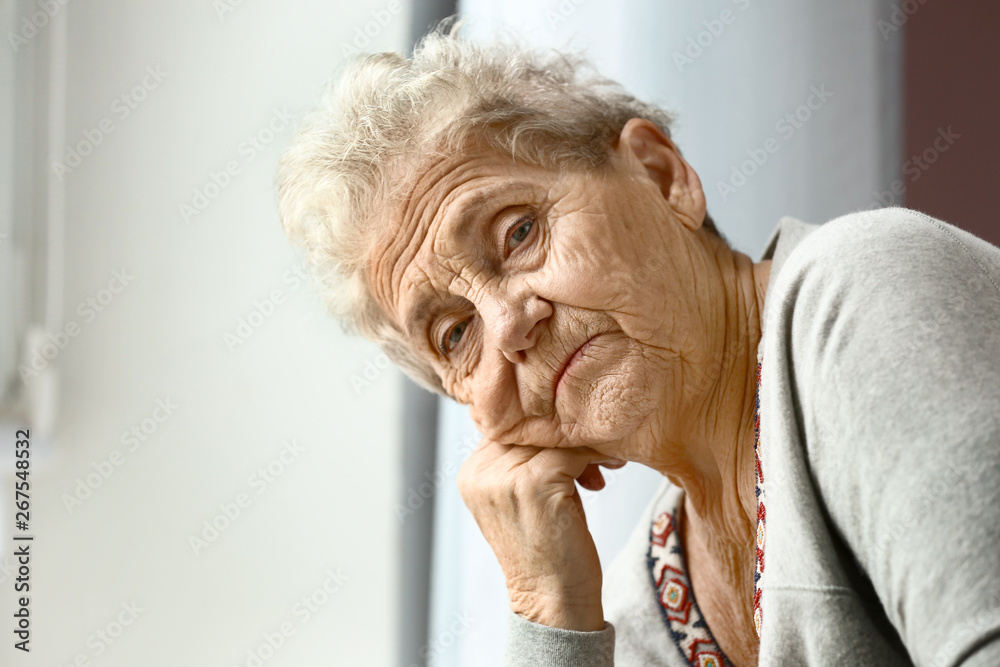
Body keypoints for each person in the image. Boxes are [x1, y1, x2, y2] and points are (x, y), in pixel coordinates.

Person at [276, 25, 1000, 666]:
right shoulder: (639, 607)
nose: (507, 325)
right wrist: (549, 615)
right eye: (455, 333)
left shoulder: (859, 294)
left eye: (518, 232)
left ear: (662, 175)